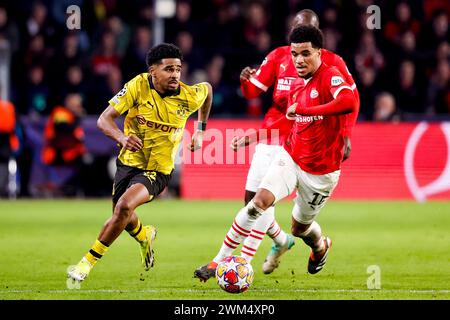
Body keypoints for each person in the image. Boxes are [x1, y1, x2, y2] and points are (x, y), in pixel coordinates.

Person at [194, 9, 359, 281]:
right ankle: (219, 262)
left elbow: (350, 102)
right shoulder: (292, 82)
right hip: (291, 156)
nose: (298, 59)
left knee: (300, 228)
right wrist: (254, 136)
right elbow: (287, 121)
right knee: (258, 201)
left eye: (305, 53)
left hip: (321, 171)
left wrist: (341, 131)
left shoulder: (332, 72)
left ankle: (319, 246)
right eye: (295, 54)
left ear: (319, 50)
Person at [67, 43, 213, 285]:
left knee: (123, 206)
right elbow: (104, 120)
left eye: (178, 68)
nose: (175, 74)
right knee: (122, 214)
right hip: (128, 164)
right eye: (168, 69)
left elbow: (207, 90)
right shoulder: (138, 86)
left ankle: (86, 264)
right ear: (153, 71)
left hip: (158, 170)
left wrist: (200, 130)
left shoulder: (188, 95)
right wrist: (122, 138)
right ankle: (146, 235)